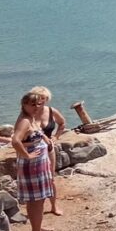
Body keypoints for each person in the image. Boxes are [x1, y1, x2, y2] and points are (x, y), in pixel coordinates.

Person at [11, 91, 55, 231]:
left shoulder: (31, 118)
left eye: (38, 104)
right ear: (24, 105)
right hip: (32, 165)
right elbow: (15, 141)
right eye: (32, 104)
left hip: (39, 163)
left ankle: (37, 227)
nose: (36, 107)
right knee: (35, 200)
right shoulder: (24, 121)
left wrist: (44, 138)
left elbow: (34, 132)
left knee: (39, 199)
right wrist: (27, 155)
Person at [29, 86, 66, 216]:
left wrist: (55, 137)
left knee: (51, 178)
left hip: (48, 148)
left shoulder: (51, 111)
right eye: (39, 99)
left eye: (44, 99)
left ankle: (54, 206)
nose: (41, 101)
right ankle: (36, 208)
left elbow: (62, 123)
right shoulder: (29, 113)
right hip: (33, 149)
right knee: (35, 179)